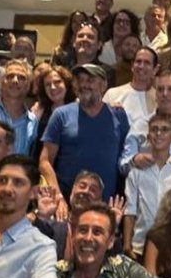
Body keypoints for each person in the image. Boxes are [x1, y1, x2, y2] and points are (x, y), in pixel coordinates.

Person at [40, 64, 130, 202]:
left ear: (103, 85)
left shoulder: (119, 115)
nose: (84, 85)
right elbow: (45, 161)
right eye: (80, 80)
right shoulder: (61, 115)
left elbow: (126, 155)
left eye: (90, 80)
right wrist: (57, 196)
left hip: (106, 204)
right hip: (67, 202)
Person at [123, 113, 171, 260]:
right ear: (148, 136)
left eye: (165, 129)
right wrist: (127, 244)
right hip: (139, 246)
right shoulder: (136, 172)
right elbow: (130, 210)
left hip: (170, 247)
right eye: (154, 129)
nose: (159, 133)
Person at [0, 60, 37, 156]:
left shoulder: (33, 122)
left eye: (21, 78)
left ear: (28, 86)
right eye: (10, 76)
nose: (15, 81)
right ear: (2, 83)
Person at [30, 65, 76, 161]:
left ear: (67, 84)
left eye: (57, 82)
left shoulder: (79, 108)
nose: (53, 87)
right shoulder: (39, 110)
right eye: (47, 84)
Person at [103, 47, 158, 126]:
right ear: (132, 66)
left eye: (147, 63)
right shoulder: (112, 94)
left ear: (155, 69)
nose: (141, 66)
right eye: (138, 61)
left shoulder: (160, 99)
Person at [71, 22, 116, 88]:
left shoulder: (106, 72)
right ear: (74, 42)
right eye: (80, 36)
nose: (84, 39)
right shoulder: (65, 70)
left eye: (90, 37)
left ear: (99, 45)